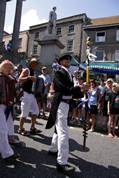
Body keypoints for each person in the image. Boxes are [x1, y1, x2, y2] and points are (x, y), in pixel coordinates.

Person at [46, 54, 78, 174]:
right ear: (60, 62)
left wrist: (82, 90)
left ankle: (53, 149)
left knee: (58, 129)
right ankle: (61, 163)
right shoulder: (59, 72)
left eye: (69, 59)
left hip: (65, 104)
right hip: (60, 104)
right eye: (65, 59)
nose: (68, 61)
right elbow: (62, 89)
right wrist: (76, 89)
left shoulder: (69, 74)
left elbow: (73, 92)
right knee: (64, 132)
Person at [0, 60, 19, 164]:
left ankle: (5, 151)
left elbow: (14, 88)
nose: (10, 69)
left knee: (3, 129)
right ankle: (7, 153)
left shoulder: (8, 78)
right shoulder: (2, 77)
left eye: (10, 68)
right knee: (2, 129)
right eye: (8, 68)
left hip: (4, 106)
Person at [18, 58, 39, 135]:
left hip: (32, 95)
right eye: (33, 62)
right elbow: (19, 79)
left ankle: (32, 127)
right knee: (24, 113)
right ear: (30, 63)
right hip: (26, 94)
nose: (35, 64)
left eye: (36, 63)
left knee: (35, 111)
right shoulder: (27, 70)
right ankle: (20, 129)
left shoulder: (35, 72)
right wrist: (28, 77)